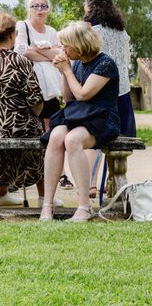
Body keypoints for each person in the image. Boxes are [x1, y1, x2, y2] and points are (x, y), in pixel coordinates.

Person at [0, 12, 58, 207]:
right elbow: (36, 101)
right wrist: (34, 114)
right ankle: (44, 196)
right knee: (39, 132)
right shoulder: (20, 61)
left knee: (5, 129)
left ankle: (0, 193)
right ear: (12, 35)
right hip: (18, 126)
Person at [40, 22, 120, 222]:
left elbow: (83, 94)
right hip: (80, 115)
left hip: (102, 117)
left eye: (65, 45)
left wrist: (67, 71)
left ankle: (84, 206)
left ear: (79, 44)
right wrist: (64, 72)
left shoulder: (105, 63)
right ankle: (47, 205)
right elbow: (69, 99)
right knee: (57, 136)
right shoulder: (75, 64)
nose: (62, 49)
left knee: (73, 140)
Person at [13, 0, 71, 190]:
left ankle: (59, 174)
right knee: (32, 129)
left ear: (48, 9)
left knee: (54, 127)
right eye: (35, 6)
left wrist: (37, 50)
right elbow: (22, 51)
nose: (40, 9)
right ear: (28, 8)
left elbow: (60, 54)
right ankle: (29, 175)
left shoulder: (52, 30)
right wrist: (47, 54)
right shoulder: (22, 25)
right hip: (31, 85)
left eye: (43, 6)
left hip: (52, 86)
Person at [83, 0, 135, 197]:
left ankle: (90, 184)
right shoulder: (122, 32)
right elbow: (127, 61)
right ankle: (114, 183)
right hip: (123, 92)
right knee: (117, 141)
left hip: (101, 90)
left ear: (90, 6)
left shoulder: (93, 31)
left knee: (94, 140)